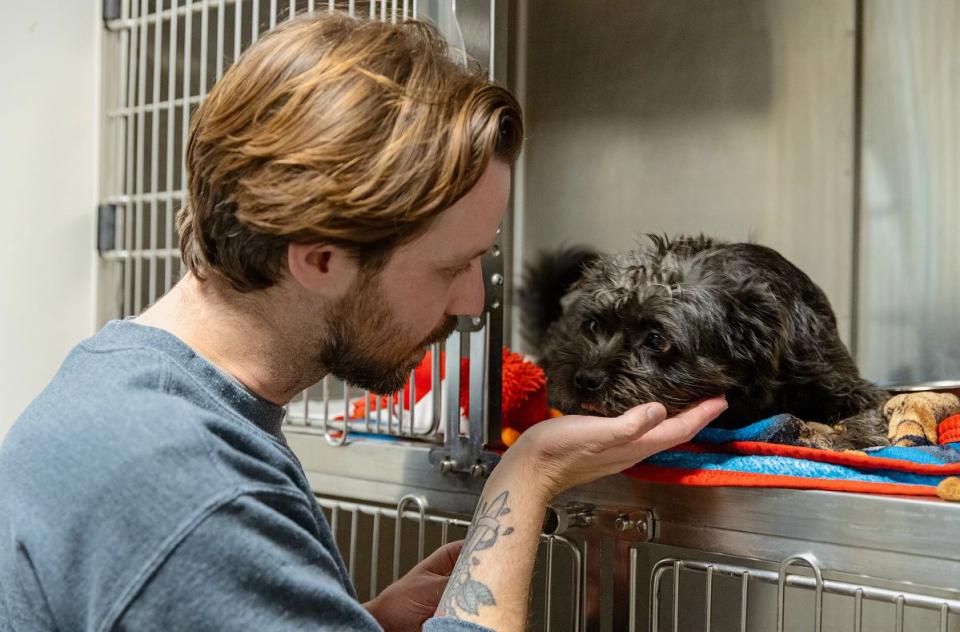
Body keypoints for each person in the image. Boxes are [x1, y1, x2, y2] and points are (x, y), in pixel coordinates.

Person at [0, 12, 726, 632]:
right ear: (319, 260)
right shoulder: (197, 493)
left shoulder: (116, 379)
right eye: (449, 267)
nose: (474, 302)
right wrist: (526, 474)